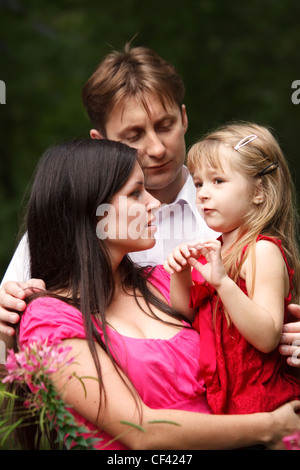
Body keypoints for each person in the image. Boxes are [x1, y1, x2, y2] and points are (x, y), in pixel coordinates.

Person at [0, 44, 300, 364]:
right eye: (134, 135)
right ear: (101, 143)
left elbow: (274, 322)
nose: (156, 148)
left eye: (165, 125)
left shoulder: (233, 215)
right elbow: (16, 360)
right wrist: (6, 329)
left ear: (184, 118)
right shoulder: (70, 228)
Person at [7, 137, 300, 450]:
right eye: (135, 193)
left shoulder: (165, 281)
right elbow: (139, 432)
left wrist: (291, 342)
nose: (155, 203)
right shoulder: (50, 317)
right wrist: (271, 426)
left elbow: (252, 346)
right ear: (91, 210)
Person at [164, 122, 300, 415]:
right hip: (223, 403)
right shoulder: (214, 250)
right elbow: (184, 316)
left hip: (266, 403)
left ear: (259, 192)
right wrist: (181, 273)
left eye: (218, 181)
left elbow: (267, 337)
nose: (202, 194)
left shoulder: (261, 251)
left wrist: (223, 283)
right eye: (198, 183)